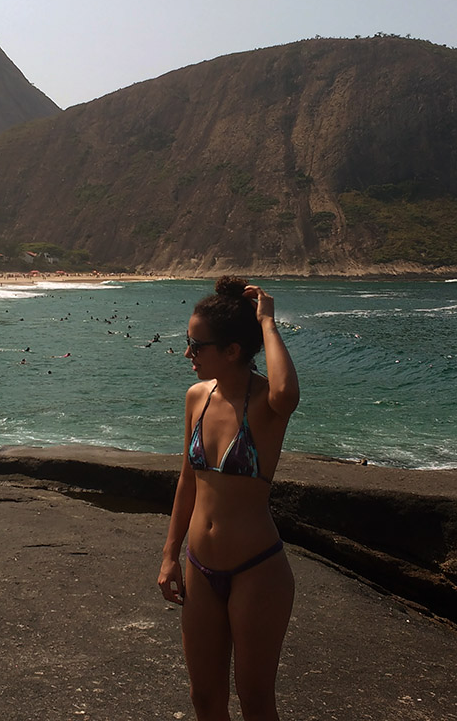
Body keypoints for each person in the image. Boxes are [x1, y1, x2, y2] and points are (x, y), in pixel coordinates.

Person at [158, 276, 300, 721]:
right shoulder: (197, 398)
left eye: (196, 345)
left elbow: (287, 392)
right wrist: (169, 556)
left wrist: (268, 323)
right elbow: (187, 480)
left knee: (256, 701)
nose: (187, 354)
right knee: (204, 698)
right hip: (201, 569)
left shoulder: (265, 405)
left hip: (256, 569)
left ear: (233, 350)